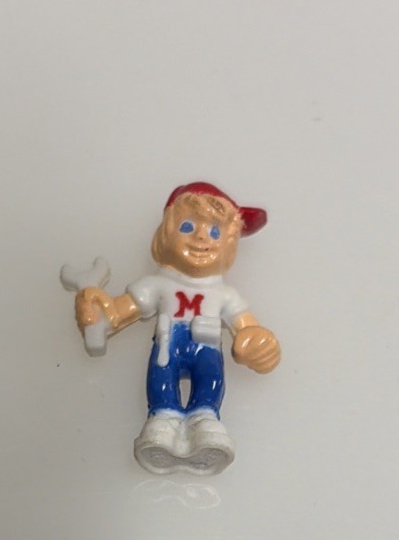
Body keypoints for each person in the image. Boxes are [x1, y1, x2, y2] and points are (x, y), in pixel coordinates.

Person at [74, 182, 281, 473]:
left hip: (208, 349)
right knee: (162, 380)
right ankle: (163, 419)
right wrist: (97, 312)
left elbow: (248, 329)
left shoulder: (225, 295)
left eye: (215, 232)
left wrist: (258, 345)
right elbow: (120, 312)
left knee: (210, 381)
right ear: (165, 234)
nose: (201, 237)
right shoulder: (157, 284)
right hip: (168, 344)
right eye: (187, 227)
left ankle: (205, 419)